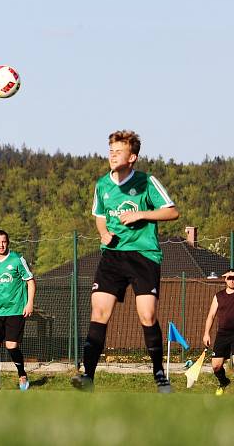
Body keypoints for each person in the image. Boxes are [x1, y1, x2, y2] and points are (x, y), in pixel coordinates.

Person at [72, 130, 179, 393]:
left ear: (132, 157)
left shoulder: (146, 182)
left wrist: (141, 214)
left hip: (143, 255)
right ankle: (88, 376)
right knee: (99, 312)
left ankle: (159, 375)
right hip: (113, 256)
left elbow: (172, 212)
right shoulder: (102, 184)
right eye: (110, 151)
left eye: (118, 152)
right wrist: (103, 233)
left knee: (147, 314)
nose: (112, 155)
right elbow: (99, 215)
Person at [0, 230, 36, 391]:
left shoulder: (17, 259)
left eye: (3, 242)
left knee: (11, 346)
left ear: (8, 242)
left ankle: (22, 374)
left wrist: (29, 302)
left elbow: (30, 281)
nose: (1, 245)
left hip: (16, 310)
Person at [202, 270, 234, 395]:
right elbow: (211, 315)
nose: (232, 280)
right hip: (223, 334)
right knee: (216, 366)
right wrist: (206, 333)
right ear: (224, 279)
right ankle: (224, 382)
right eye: (229, 278)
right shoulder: (218, 296)